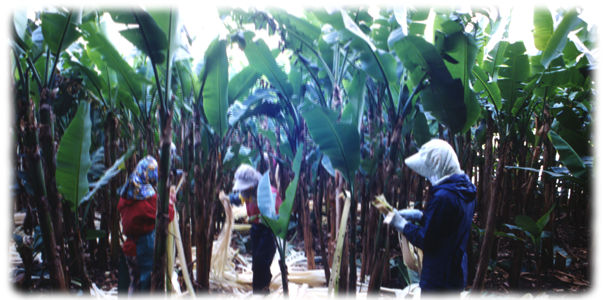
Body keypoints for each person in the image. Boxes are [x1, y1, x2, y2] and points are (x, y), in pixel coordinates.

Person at [387, 139, 476, 293]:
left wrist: (402, 225)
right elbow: (448, 226)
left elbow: (427, 240)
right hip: (457, 272)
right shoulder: (466, 189)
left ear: (438, 165)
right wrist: (421, 216)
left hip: (438, 278)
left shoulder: (443, 196)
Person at [117, 155, 174, 295]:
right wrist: (171, 202)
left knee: (134, 283)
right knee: (146, 285)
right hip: (145, 247)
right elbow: (167, 215)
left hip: (129, 247)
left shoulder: (126, 194)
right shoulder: (149, 199)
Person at [229, 164, 282, 294]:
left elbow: (277, 216)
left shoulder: (270, 193)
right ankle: (257, 291)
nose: (243, 192)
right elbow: (239, 198)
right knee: (256, 264)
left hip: (268, 231)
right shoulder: (248, 193)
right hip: (256, 229)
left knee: (262, 263)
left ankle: (262, 290)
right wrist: (227, 198)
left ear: (252, 185)